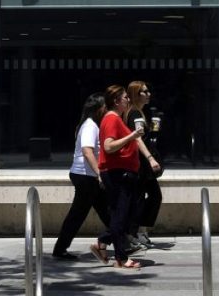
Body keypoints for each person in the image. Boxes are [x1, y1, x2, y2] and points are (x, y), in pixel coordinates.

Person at [89, 84, 145, 269]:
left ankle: (102, 242)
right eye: (125, 97)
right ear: (116, 101)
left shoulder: (115, 119)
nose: (128, 100)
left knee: (125, 214)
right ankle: (121, 258)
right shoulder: (112, 119)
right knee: (121, 215)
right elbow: (108, 146)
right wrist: (132, 136)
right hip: (118, 174)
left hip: (121, 173)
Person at [52, 93, 111, 260]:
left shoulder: (88, 124)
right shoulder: (90, 126)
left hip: (86, 176)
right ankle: (60, 249)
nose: (107, 110)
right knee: (80, 214)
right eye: (105, 107)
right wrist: (99, 173)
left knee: (107, 212)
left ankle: (124, 244)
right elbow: (87, 151)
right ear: (99, 109)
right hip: (86, 177)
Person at [124, 80, 162, 249]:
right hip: (140, 163)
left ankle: (139, 231)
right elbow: (137, 139)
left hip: (141, 163)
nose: (148, 94)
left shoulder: (140, 112)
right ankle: (133, 234)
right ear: (135, 94)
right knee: (142, 198)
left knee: (149, 196)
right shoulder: (134, 113)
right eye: (144, 92)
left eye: (148, 91)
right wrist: (150, 158)